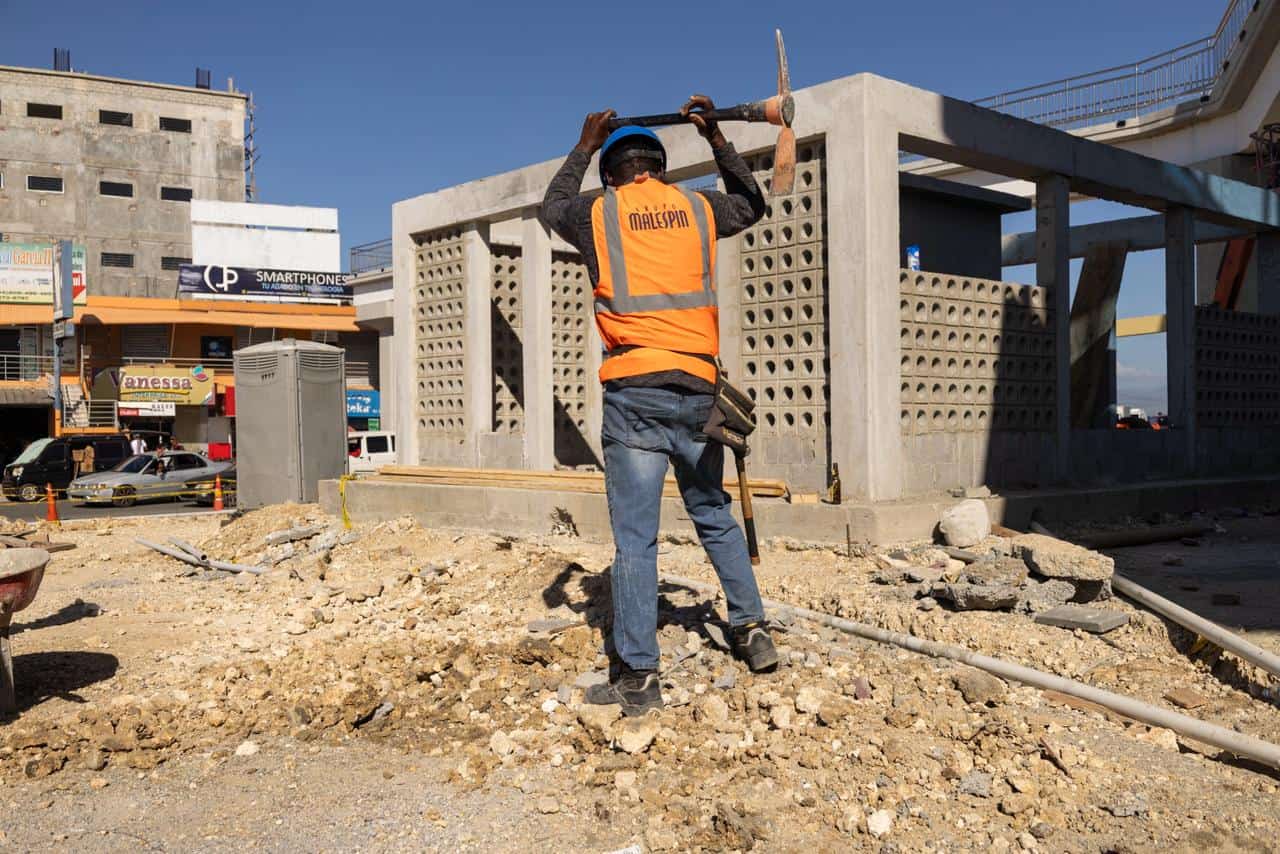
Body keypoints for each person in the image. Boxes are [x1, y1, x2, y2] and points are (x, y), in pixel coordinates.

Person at [540, 96, 777, 716]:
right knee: (714, 513)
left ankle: (640, 679)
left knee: (636, 540)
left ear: (610, 172)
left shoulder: (598, 212)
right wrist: (716, 137)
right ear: (661, 167)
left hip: (635, 391)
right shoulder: (699, 208)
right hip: (698, 389)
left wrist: (583, 143)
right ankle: (752, 631)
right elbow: (752, 202)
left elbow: (551, 206)